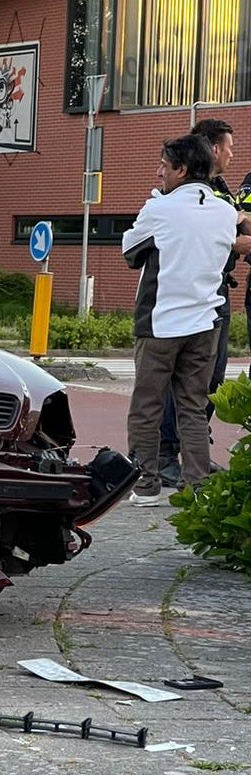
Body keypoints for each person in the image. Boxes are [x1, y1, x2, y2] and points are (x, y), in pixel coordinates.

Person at [123, 135, 239, 506]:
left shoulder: (161, 208)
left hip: (160, 322)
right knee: (192, 406)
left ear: (182, 170)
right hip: (206, 323)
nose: (158, 172)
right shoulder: (223, 210)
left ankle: (145, 485)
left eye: (163, 165)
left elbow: (130, 250)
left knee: (147, 404)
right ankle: (199, 485)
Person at [156, 119, 251, 485]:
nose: (232, 153)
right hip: (196, 293)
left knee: (208, 379)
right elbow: (229, 239)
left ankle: (194, 454)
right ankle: (166, 454)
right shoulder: (195, 192)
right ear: (212, 148)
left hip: (216, 290)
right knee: (186, 377)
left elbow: (237, 223)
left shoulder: (219, 190)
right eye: (228, 146)